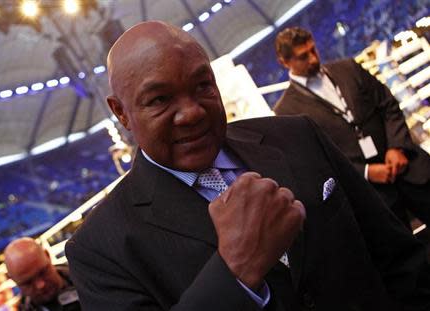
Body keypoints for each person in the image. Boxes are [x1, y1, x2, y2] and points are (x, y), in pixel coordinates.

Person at [65, 21, 430, 310]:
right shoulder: (100, 249)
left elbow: (400, 260)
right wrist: (234, 275)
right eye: (159, 99)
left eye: (202, 85)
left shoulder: (298, 136)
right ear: (121, 112)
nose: (192, 112)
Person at [273, 27, 430, 228]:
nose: (313, 59)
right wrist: (365, 172)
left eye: (313, 50)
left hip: (409, 169)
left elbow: (388, 105)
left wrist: (397, 147)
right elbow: (316, 160)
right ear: (284, 62)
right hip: (371, 199)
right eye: (303, 57)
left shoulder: (348, 68)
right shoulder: (287, 110)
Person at [4, 237, 81, 311]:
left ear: (47, 255)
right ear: (13, 280)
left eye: (42, 272)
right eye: (28, 282)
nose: (40, 285)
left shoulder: (86, 277)